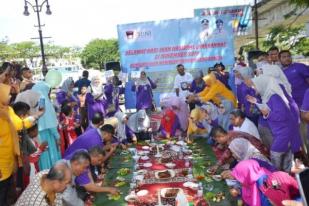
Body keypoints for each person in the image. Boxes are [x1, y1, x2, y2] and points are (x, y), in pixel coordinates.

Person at [247, 75, 302, 171]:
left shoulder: (274, 97)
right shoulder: (269, 96)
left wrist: (268, 114)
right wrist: (256, 102)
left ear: (262, 85)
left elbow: (282, 115)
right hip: (282, 132)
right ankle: (286, 179)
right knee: (285, 161)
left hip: (284, 133)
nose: (253, 87)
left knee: (275, 155)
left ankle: (278, 179)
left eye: (255, 85)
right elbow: (268, 108)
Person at [0, 83, 42, 205]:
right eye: (7, 94)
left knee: (7, 189)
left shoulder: (7, 110)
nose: (10, 96)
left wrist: (37, 115)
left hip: (9, 158)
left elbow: (20, 124)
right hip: (1, 161)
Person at [229, 159, 299, 206]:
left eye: (240, 178)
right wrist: (239, 192)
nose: (239, 181)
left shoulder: (263, 181)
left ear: (247, 174)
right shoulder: (252, 178)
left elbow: (270, 198)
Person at [32, 81, 61, 170]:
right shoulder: (44, 101)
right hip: (48, 134)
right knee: (51, 157)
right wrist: (57, 136)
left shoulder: (34, 101)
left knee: (44, 159)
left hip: (38, 135)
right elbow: (50, 122)